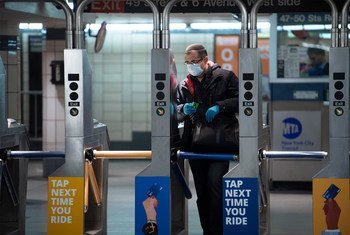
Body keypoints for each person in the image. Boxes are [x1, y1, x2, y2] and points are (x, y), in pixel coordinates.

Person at [176, 43, 239, 235]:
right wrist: (182, 110)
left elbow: (241, 100)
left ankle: (217, 231)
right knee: (202, 193)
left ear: (205, 60)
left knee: (215, 186)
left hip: (220, 143)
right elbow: (175, 109)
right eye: (187, 62)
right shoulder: (184, 84)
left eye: (193, 61)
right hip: (196, 144)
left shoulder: (225, 77)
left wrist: (219, 106)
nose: (190, 66)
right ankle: (208, 231)